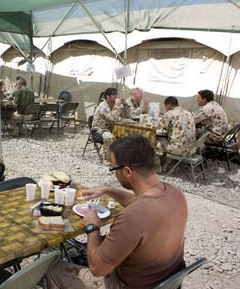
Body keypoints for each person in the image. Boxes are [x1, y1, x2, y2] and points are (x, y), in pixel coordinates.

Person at [47, 136, 188, 289]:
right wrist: (108, 190)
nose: (113, 173)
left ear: (127, 171)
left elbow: (97, 269)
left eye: (113, 168)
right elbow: (140, 202)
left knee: (51, 270)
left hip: (126, 285)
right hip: (167, 281)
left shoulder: (132, 218)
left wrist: (92, 228)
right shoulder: (175, 195)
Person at [92, 87, 127, 160]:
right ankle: (108, 160)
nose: (116, 97)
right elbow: (112, 118)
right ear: (108, 96)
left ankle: (120, 157)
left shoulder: (113, 105)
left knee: (125, 135)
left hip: (111, 128)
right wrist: (117, 106)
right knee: (110, 137)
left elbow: (125, 116)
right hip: (99, 129)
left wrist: (125, 105)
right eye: (114, 95)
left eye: (117, 95)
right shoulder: (103, 105)